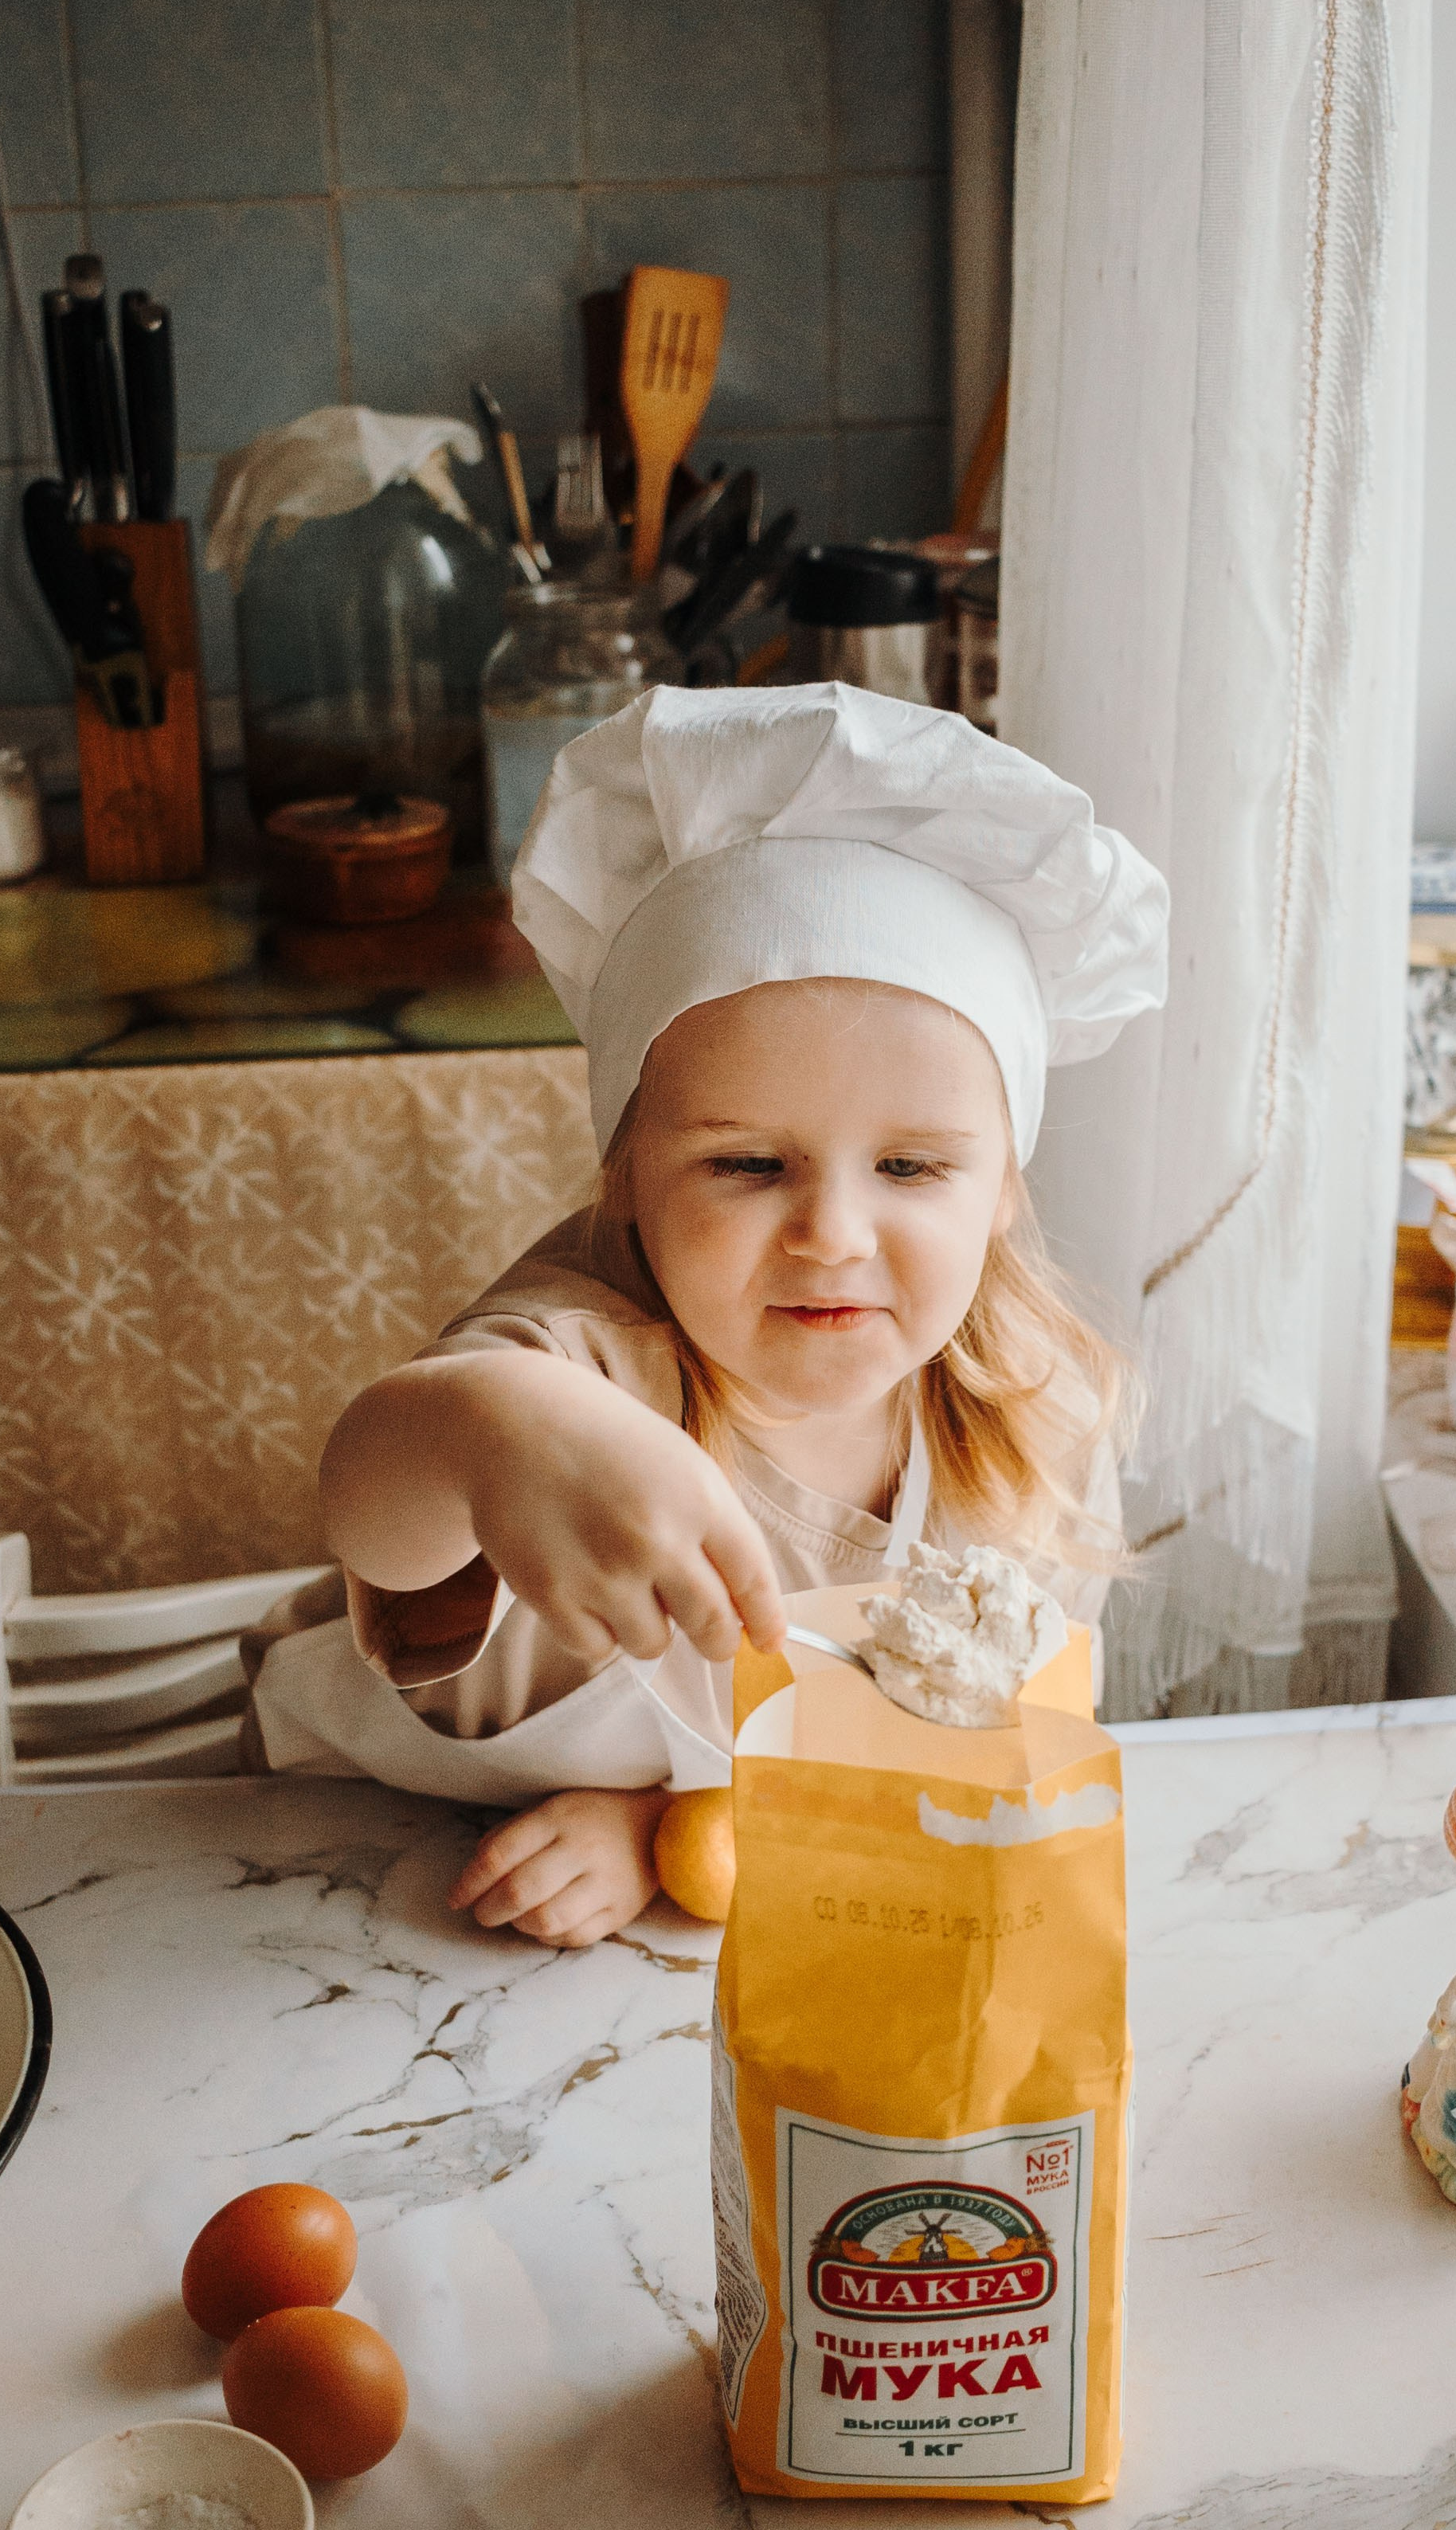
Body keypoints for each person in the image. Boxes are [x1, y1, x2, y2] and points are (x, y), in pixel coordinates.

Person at [245, 681, 1168, 1951]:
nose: (833, 1234)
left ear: (1007, 1185)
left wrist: (667, 1831)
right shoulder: (586, 1361)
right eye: (747, 1166)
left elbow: (982, 1774)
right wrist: (497, 1433)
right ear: (623, 1169)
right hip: (326, 1887)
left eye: (910, 1169)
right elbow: (376, 1503)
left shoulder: (1036, 1419)